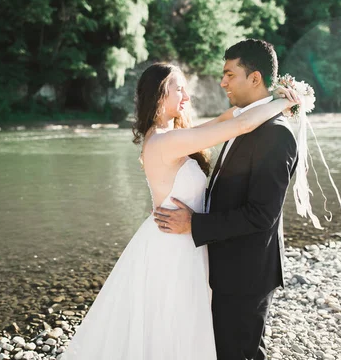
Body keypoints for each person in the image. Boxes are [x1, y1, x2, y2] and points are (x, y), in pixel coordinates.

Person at [60, 54, 298, 359]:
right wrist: (286, 102)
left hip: (190, 242)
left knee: (189, 327)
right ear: (159, 95)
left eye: (186, 88)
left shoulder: (176, 136)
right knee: (170, 328)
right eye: (178, 89)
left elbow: (228, 118)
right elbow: (239, 126)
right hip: (172, 248)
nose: (187, 95)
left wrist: (265, 100)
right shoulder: (162, 141)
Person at [154, 39, 298, 360]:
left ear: (255, 78)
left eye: (230, 74)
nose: (222, 82)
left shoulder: (276, 134)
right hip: (228, 266)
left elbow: (262, 215)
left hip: (247, 272)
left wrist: (195, 224)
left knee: (239, 352)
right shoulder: (243, 122)